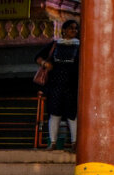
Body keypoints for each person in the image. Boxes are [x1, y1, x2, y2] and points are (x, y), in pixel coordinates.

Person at [36, 19, 79, 149]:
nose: (74, 31)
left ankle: (74, 142)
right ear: (64, 30)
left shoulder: (80, 45)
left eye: (75, 28)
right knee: (55, 113)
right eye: (71, 28)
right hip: (55, 85)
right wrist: (45, 64)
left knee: (72, 113)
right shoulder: (55, 44)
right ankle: (53, 142)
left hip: (72, 84)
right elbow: (37, 57)